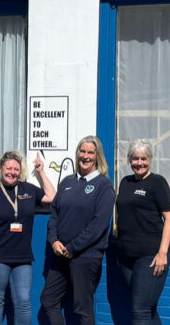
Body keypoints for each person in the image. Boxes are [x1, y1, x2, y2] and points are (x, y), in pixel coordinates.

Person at [40, 136, 116, 325]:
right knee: (48, 300)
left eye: (90, 152)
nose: (85, 156)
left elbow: (99, 225)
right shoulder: (67, 181)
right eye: (82, 151)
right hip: (60, 253)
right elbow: (54, 215)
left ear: (97, 156)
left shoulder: (103, 186)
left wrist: (72, 247)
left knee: (82, 308)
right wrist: (54, 240)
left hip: (85, 256)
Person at [0, 150, 56, 325]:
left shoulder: (27, 189)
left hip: (22, 258)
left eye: (16, 169)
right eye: (8, 168)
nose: (12, 172)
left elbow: (52, 196)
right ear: (0, 168)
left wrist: (40, 171)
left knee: (24, 302)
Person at [115, 139, 170, 325]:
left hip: (150, 256)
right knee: (147, 309)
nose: (139, 163)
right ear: (129, 160)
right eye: (135, 158)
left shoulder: (157, 182)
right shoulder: (125, 182)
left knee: (139, 310)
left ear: (150, 159)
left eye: (143, 158)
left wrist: (162, 252)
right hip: (126, 258)